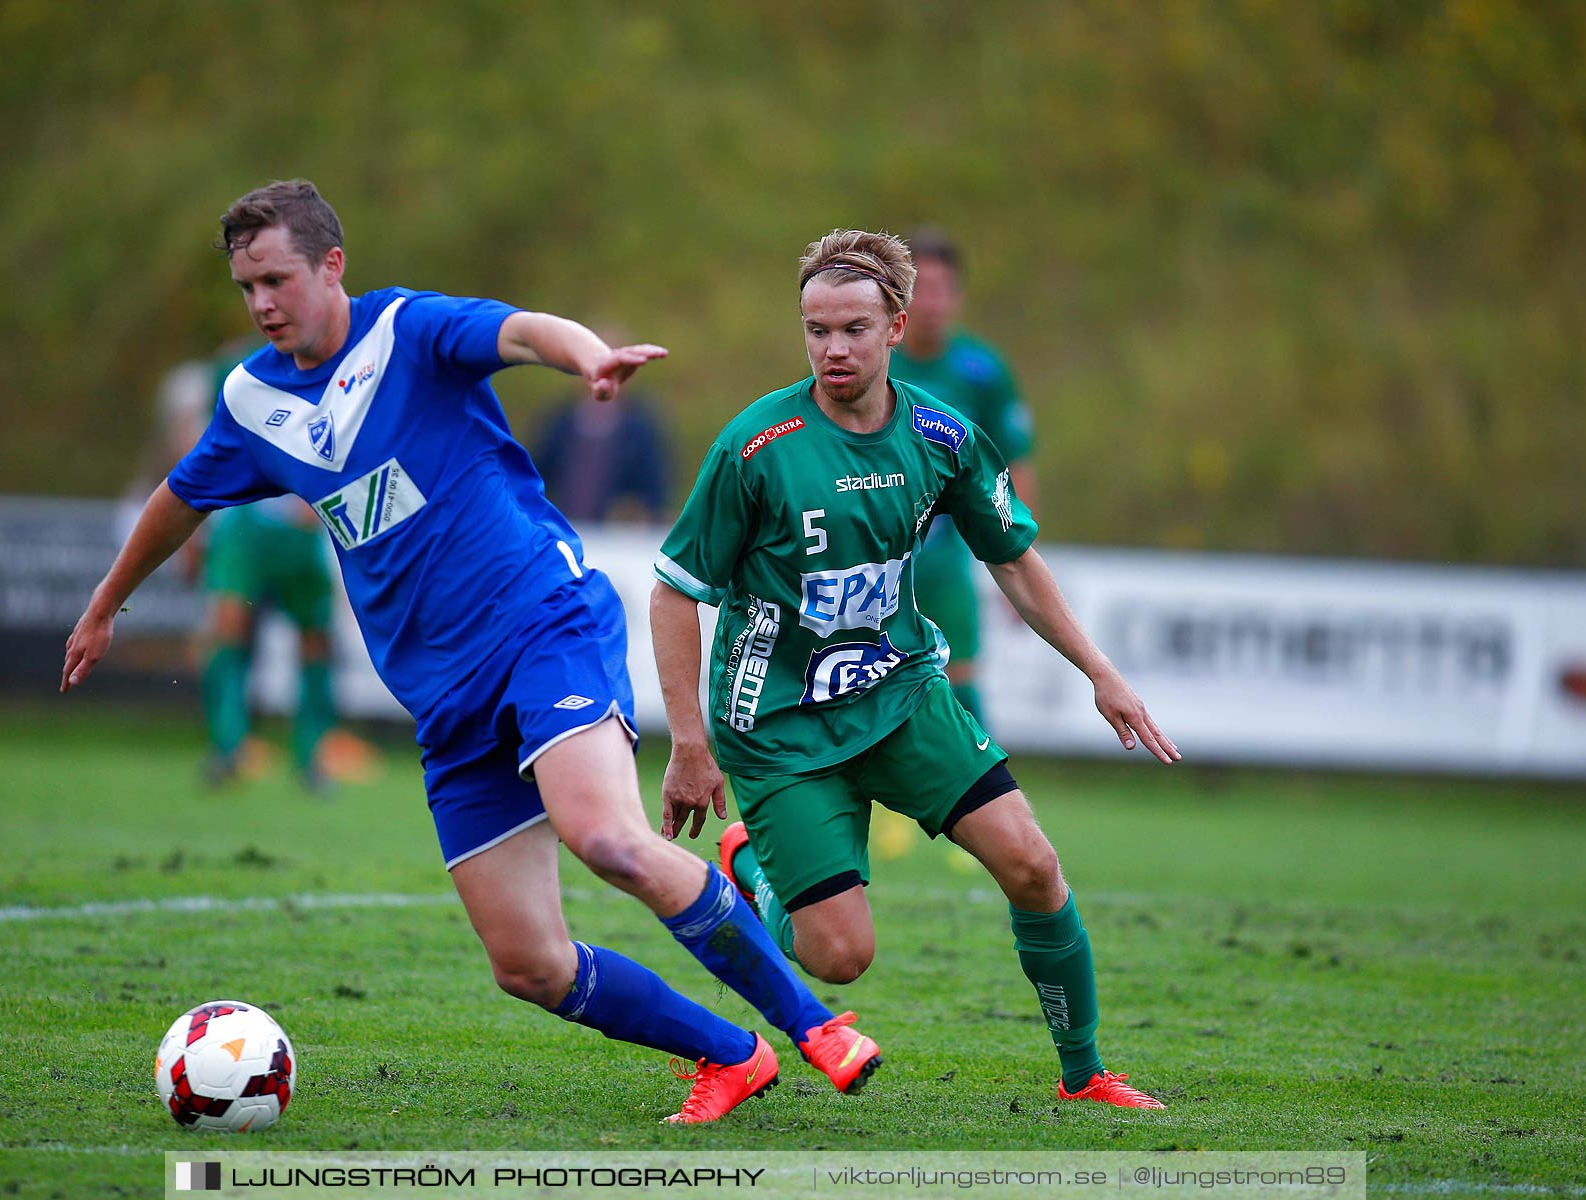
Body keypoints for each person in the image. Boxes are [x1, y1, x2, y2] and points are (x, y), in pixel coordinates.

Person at [61, 180, 879, 1124]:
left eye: (276, 279)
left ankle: (815, 1025)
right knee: (527, 964)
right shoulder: (254, 400)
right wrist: (105, 603)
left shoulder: (408, 331)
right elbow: (180, 496)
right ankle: (730, 1056)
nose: (261, 304)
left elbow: (524, 332)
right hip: (444, 699)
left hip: (541, 624)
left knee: (608, 839)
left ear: (332, 264)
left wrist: (590, 359)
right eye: (246, 287)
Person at [650, 229, 1179, 1110]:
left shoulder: (942, 435)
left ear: (897, 326)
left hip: (900, 695)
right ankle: (759, 870)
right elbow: (675, 594)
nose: (834, 349)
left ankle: (1084, 1076)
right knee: (840, 956)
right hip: (779, 730)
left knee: (1035, 868)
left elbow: (1012, 558)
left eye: (854, 328)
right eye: (816, 330)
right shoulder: (757, 446)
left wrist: (1100, 671)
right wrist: (688, 744)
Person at [891, 228, 1036, 728]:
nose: (931, 302)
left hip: (946, 560)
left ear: (957, 295)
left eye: (941, 288)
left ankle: (982, 798)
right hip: (873, 559)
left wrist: (1015, 558)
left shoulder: (981, 371)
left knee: (959, 685)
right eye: (919, 288)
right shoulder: (871, 360)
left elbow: (1013, 465)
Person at [192, 341, 341, 791]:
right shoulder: (230, 370)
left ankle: (311, 756)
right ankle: (228, 747)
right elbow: (206, 446)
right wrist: (196, 525)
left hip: (301, 529)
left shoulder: (341, 365)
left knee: (315, 638)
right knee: (227, 627)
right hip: (243, 529)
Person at [530, 378, 673, 525]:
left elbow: (654, 489)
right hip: (564, 524)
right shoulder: (561, 424)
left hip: (614, 535)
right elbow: (536, 473)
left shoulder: (640, 432)